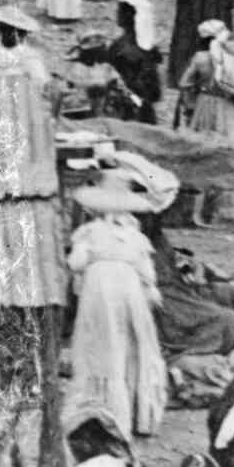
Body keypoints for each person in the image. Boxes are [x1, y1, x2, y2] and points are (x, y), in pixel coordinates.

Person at [66, 178, 168, 438]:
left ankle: (103, 409)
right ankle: (134, 413)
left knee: (101, 343)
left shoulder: (89, 233)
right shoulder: (136, 236)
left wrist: (85, 258)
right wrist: (149, 291)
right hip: (128, 286)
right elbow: (147, 274)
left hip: (100, 287)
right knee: (131, 342)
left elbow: (76, 263)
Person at [78, 0, 164, 123]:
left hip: (123, 111)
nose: (116, 14)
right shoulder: (147, 46)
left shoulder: (121, 47)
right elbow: (155, 92)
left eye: (119, 11)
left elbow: (108, 78)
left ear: (129, 16)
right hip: (144, 109)